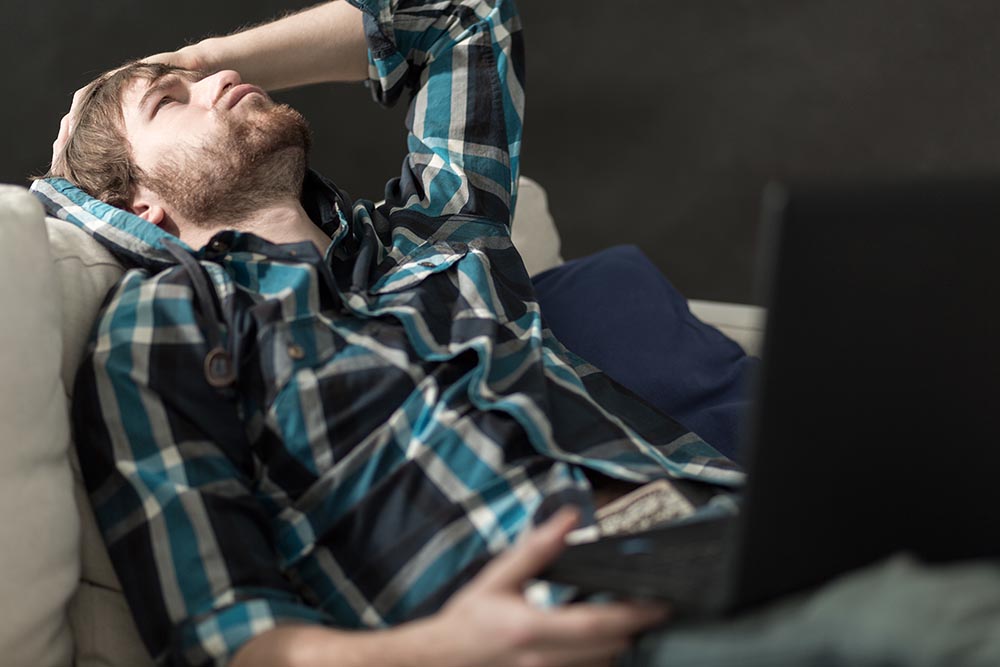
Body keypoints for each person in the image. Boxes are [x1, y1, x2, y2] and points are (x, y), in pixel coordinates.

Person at [35, 0, 746, 665]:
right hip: (575, 630)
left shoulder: (437, 228)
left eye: (207, 76)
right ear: (139, 205)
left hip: (729, 535)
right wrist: (442, 646)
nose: (220, 80)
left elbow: (465, 16)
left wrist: (199, 52)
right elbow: (223, 629)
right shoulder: (163, 328)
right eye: (171, 101)